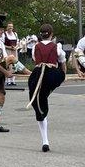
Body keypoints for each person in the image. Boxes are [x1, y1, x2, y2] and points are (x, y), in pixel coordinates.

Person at [28, 24, 66, 152]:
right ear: (51, 34)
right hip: (51, 75)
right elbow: (62, 62)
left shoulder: (35, 47)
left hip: (38, 74)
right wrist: (63, 77)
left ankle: (45, 140)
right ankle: (45, 142)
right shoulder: (57, 47)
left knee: (39, 102)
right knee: (42, 98)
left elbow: (35, 60)